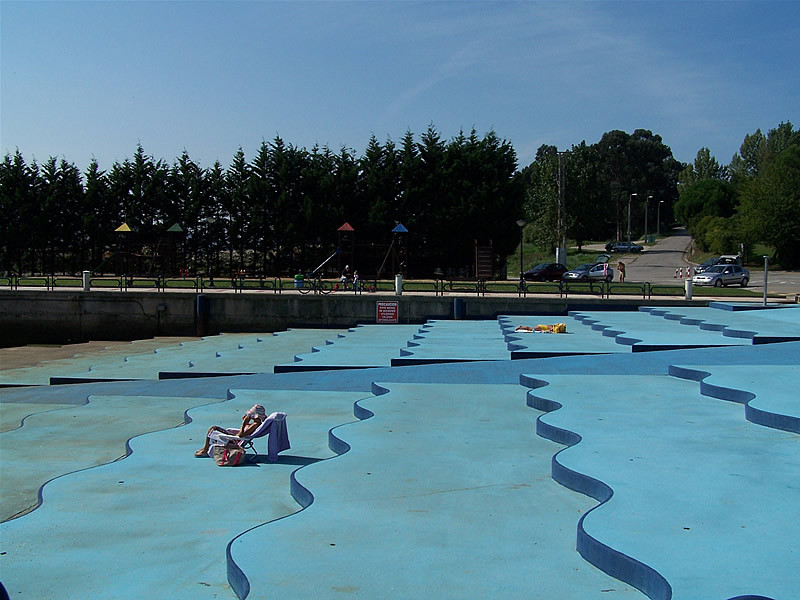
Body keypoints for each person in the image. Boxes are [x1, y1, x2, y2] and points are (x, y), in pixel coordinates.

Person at [194, 404, 267, 457]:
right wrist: (246, 422)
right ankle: (205, 448)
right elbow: (246, 431)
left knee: (213, 428)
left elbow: (241, 435)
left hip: (235, 439)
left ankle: (205, 449)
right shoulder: (256, 423)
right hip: (235, 437)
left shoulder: (254, 425)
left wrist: (244, 423)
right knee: (213, 429)